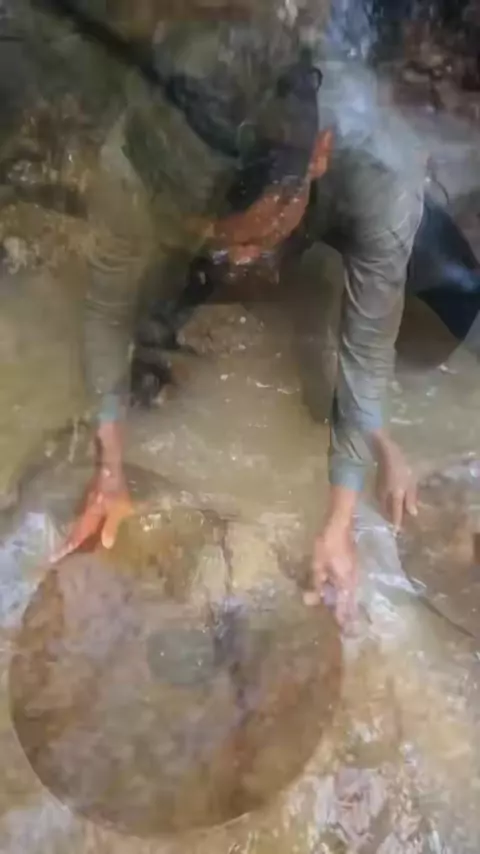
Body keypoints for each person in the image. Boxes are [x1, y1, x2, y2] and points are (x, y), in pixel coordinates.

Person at [53, 4, 480, 624]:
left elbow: (365, 347)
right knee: (150, 348)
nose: (244, 260)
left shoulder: (378, 171)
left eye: (255, 238)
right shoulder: (141, 159)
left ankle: (286, 251)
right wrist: (109, 468)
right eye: (225, 241)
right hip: (247, 203)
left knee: (452, 305)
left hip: (342, 201)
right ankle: (228, 244)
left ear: (319, 154)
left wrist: (339, 521)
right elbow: (103, 308)